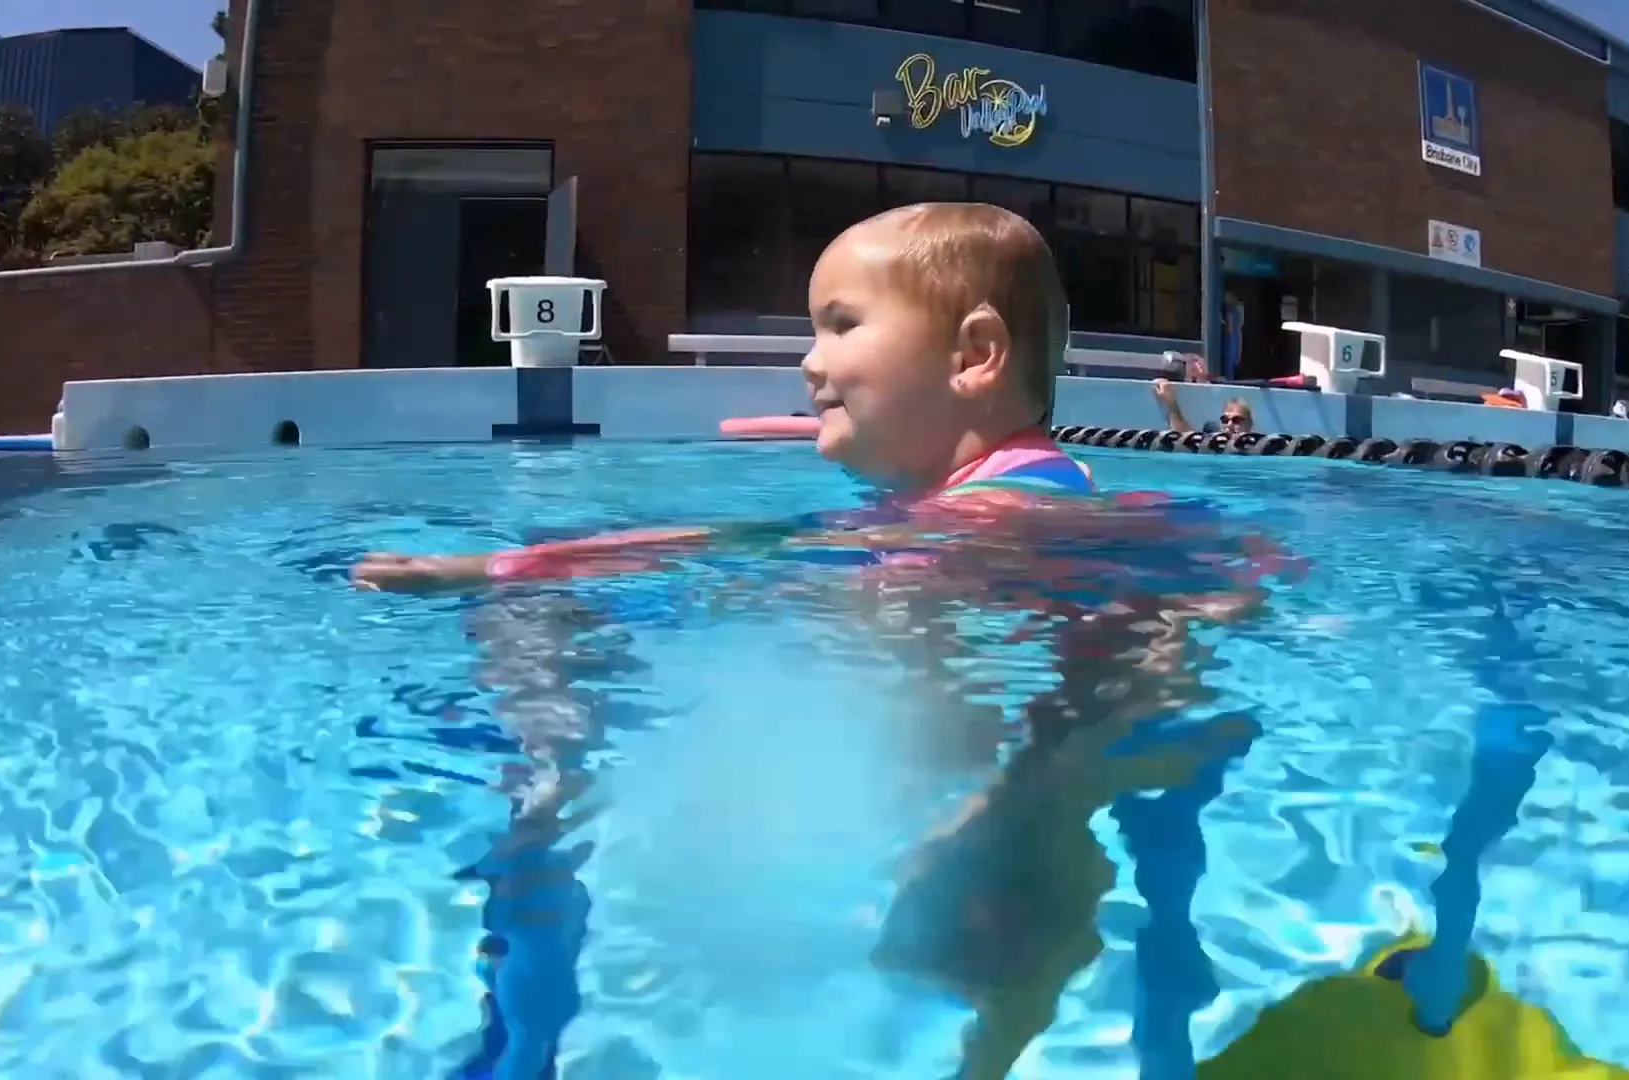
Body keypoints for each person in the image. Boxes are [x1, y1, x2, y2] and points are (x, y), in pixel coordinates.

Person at [356, 202, 1292, 1079]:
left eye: (841, 326)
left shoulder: (999, 507)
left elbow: (746, 547)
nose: (809, 361)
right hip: (1030, 702)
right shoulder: (973, 496)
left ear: (975, 354)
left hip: (1062, 711)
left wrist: (501, 569)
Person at [1151, 378, 1254, 436]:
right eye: (1225, 420)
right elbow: (1186, 434)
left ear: (1249, 424)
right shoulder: (1213, 442)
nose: (1229, 425)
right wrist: (1171, 403)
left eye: (1236, 420)